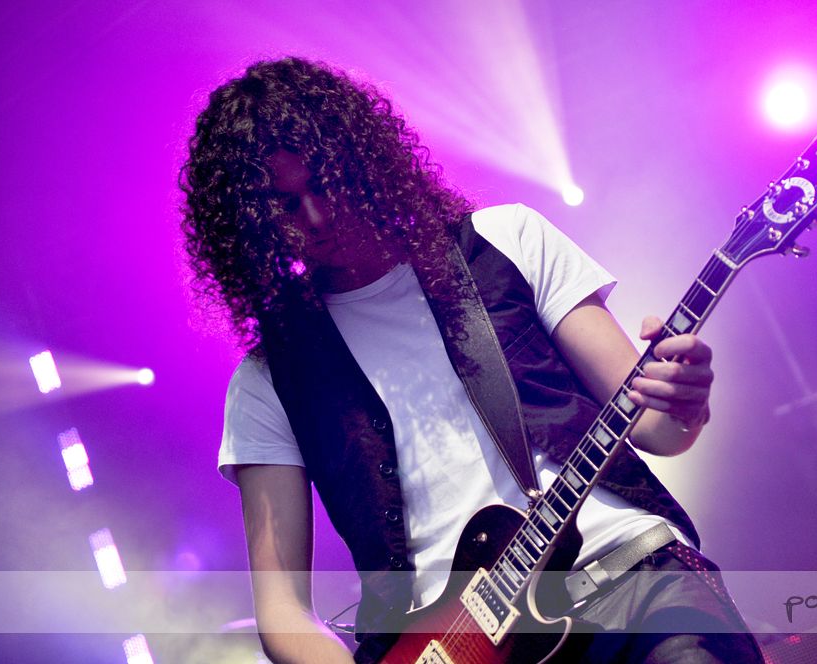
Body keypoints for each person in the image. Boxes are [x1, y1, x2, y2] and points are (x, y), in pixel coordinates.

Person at [181, 56, 762, 663]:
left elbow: (657, 430)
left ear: (360, 160)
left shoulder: (505, 241)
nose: (316, 218)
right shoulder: (271, 380)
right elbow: (282, 611)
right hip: (455, 650)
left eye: (324, 184)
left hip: (632, 580)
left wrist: (684, 398)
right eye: (284, 205)